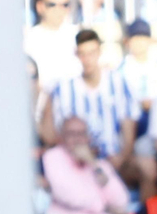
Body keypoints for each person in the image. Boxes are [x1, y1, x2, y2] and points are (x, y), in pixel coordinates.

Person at [47, 29, 142, 185]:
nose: (87, 59)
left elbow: (129, 127)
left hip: (115, 159)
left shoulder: (118, 82)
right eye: (82, 53)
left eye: (91, 53)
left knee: (146, 168)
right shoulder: (64, 88)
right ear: (76, 55)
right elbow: (55, 133)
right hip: (77, 160)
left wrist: (122, 158)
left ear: (99, 52)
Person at [42, 115, 131, 214]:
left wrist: (92, 163)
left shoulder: (98, 163)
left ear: (88, 138)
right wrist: (104, 207)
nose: (77, 139)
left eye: (81, 134)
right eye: (71, 134)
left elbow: (121, 201)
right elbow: (71, 198)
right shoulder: (52, 157)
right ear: (60, 138)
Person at [118, 20, 157, 141]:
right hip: (132, 120)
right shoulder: (121, 70)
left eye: (143, 38)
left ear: (150, 40)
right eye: (135, 38)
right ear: (127, 41)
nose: (139, 43)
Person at [24, 0, 80, 91]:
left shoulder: (78, 35)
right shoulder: (29, 39)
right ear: (40, 6)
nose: (59, 9)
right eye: (52, 4)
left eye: (65, 4)